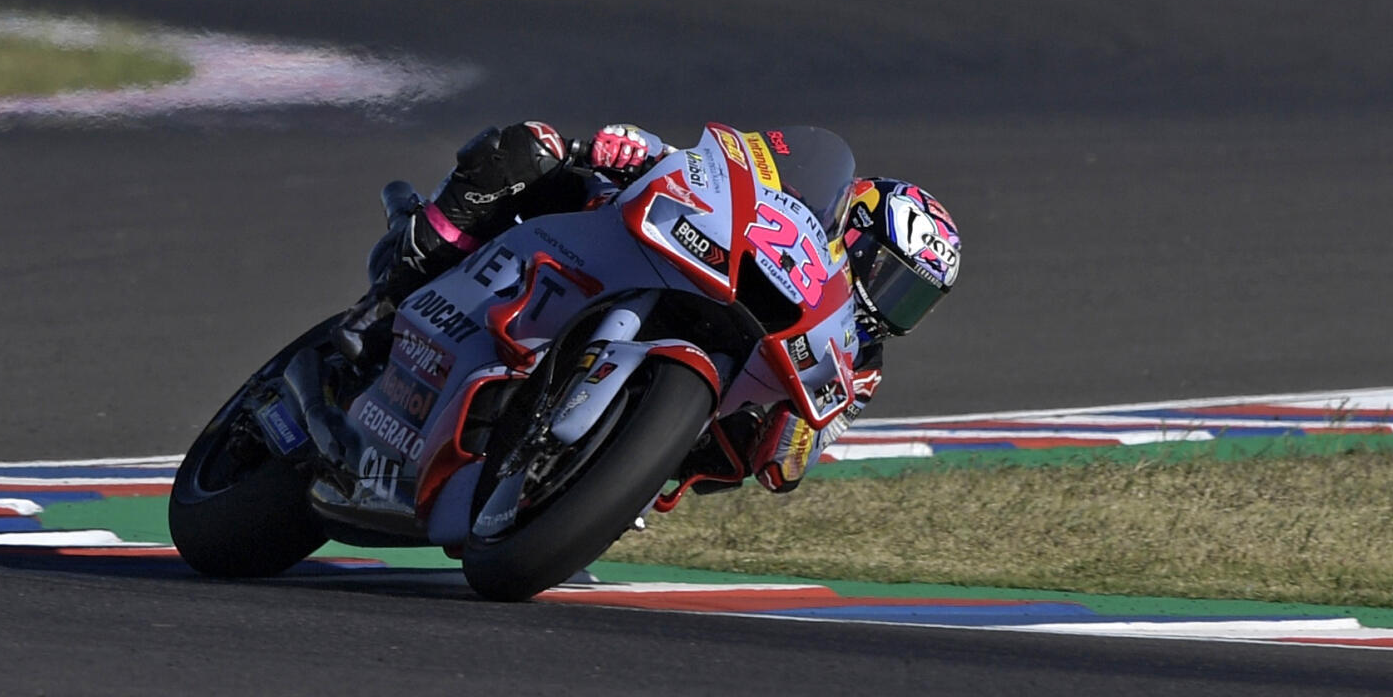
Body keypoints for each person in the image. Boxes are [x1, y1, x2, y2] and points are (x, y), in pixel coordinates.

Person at [337, 121, 960, 494]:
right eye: (889, 275)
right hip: (643, 250)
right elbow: (730, 170)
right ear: (855, 231)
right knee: (534, 147)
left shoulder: (859, 363)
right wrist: (639, 148)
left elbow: (785, 469)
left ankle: (580, 479)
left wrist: (793, 433)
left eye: (913, 298)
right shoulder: (794, 207)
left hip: (692, 410)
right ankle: (391, 296)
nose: (889, 302)